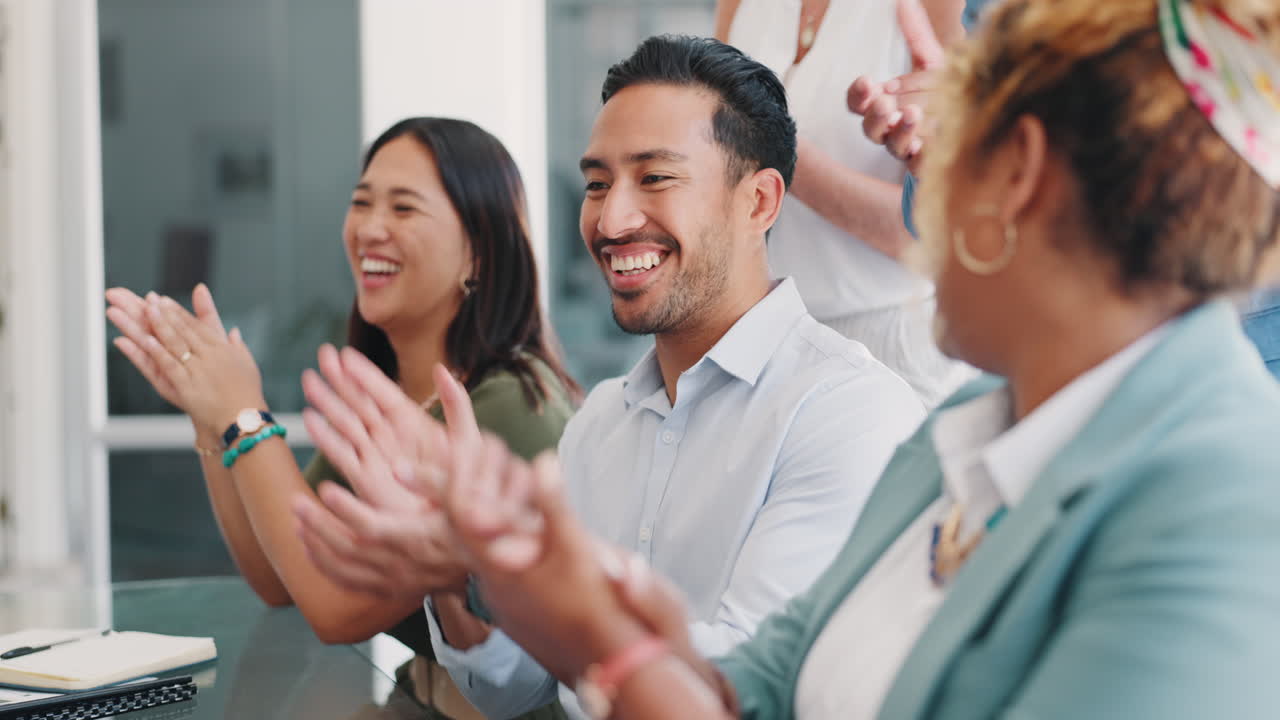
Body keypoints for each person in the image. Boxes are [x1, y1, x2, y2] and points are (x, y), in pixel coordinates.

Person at [411, 0, 1280, 717]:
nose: (913, 204)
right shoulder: (954, 434)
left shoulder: (1225, 499)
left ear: (1017, 171)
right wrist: (520, 580)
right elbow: (755, 689)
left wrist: (586, 627)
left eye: (928, 161)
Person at [289, 35, 925, 720]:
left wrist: (507, 580)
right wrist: (455, 579)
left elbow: (743, 688)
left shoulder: (850, 413)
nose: (612, 219)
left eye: (655, 178)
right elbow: (513, 691)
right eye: (597, 183)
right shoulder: (600, 424)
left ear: (760, 202)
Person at [104, 117, 579, 720]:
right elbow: (283, 577)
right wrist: (212, 417)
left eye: (404, 209)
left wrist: (243, 414)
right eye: (361, 203)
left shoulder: (510, 403)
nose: (370, 229)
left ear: (478, 250)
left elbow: (334, 607)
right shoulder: (390, 392)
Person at [715, 0, 971, 407]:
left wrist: (771, 146)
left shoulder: (941, 9)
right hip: (758, 340)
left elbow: (942, 237)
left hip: (893, 352)